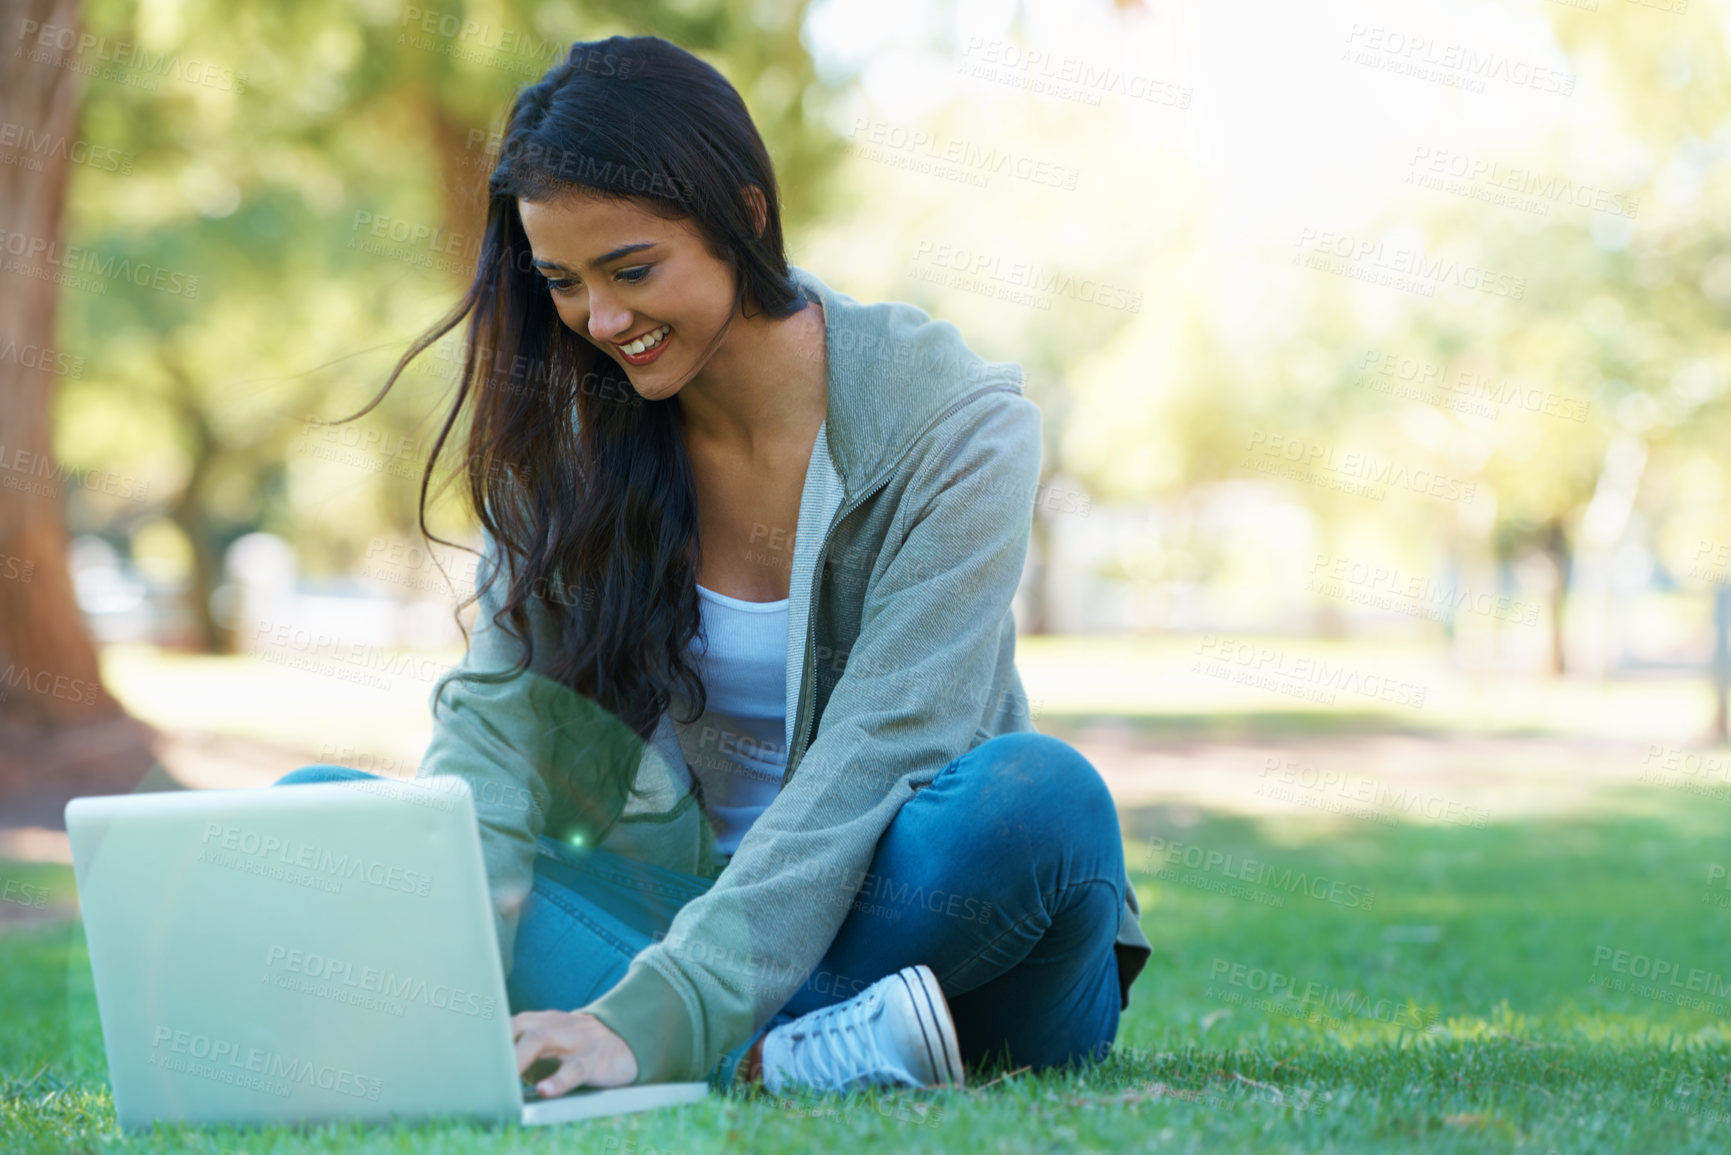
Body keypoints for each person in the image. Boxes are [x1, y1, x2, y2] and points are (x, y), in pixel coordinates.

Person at [278, 32, 1150, 1100]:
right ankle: (788, 1060)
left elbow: (885, 748)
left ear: (744, 213)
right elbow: (496, 740)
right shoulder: (571, 446)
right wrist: (443, 932)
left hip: (933, 934)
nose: (602, 320)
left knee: (1041, 798)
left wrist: (660, 1011)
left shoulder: (952, 426)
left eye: (632, 270)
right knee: (323, 817)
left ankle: (681, 1038)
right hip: (672, 909)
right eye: (563, 281)